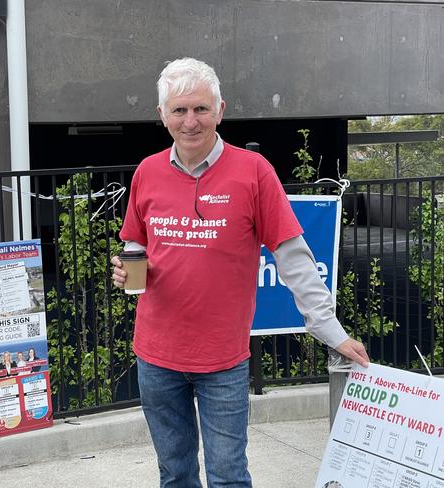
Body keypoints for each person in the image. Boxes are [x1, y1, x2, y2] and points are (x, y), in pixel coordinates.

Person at [111, 57, 370, 488]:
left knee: (229, 476)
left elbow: (294, 258)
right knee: (174, 474)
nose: (190, 121)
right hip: (155, 356)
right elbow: (134, 241)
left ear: (220, 110)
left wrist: (330, 330)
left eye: (201, 109)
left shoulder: (253, 173)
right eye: (179, 110)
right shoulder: (147, 172)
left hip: (223, 360)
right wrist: (129, 272)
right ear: (162, 116)